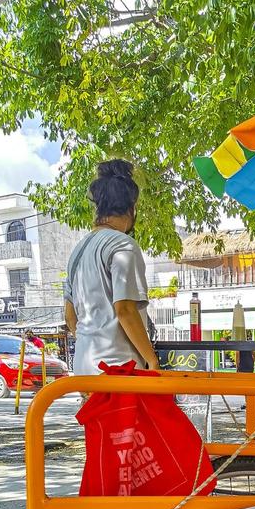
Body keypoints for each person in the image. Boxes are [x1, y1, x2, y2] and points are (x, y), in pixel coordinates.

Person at [63, 159, 159, 375]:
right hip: (117, 367)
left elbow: (70, 317)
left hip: (84, 367)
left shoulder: (78, 251)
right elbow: (125, 309)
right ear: (131, 209)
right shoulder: (122, 244)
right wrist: (151, 360)